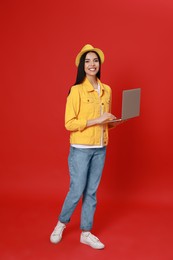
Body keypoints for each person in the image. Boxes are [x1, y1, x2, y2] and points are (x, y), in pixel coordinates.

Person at [50, 44, 120, 249]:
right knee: (77, 189)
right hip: (80, 149)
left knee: (91, 192)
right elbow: (69, 123)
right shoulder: (76, 90)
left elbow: (103, 123)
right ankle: (61, 224)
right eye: (87, 61)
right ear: (82, 65)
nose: (92, 64)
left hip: (100, 148)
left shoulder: (107, 90)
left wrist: (113, 122)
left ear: (100, 64)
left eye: (95, 60)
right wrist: (99, 119)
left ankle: (86, 232)